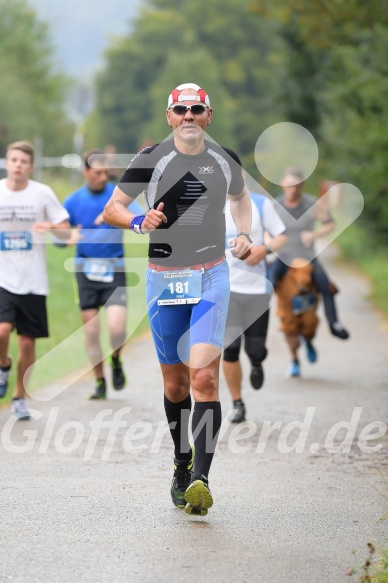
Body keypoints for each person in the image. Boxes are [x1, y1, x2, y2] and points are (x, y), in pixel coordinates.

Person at [103, 82, 252, 516]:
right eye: (181, 110)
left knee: (204, 377)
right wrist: (136, 220)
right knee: (175, 383)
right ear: (169, 116)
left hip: (211, 275)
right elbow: (112, 208)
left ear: (209, 116)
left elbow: (240, 199)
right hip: (164, 279)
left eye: (197, 110)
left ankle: (202, 480)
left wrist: (244, 234)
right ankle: (181, 461)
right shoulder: (151, 158)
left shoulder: (226, 161)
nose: (189, 116)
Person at [62, 150, 144, 399]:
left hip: (115, 268)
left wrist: (116, 215)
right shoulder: (73, 201)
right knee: (92, 331)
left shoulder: (117, 196)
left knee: (118, 329)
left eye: (106, 173)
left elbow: (138, 218)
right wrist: (67, 237)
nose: (102, 177)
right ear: (86, 172)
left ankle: (116, 361)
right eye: (97, 172)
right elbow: (59, 233)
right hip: (85, 270)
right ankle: (99, 381)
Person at [0, 141, 70, 420]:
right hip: (3, 278)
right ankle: (3, 364)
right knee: (2, 331)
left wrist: (50, 226)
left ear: (31, 166)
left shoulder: (42, 194)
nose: (17, 164)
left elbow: (66, 233)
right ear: (7, 162)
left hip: (33, 281)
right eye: (13, 159)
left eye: (23, 161)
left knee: (28, 344)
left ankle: (19, 395)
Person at [270, 168, 349, 374]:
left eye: (296, 185)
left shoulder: (312, 203)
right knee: (267, 283)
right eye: (288, 185)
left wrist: (314, 234)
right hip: (284, 258)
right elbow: (264, 231)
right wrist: (272, 243)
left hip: (307, 258)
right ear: (282, 184)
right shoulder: (275, 206)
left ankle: (334, 324)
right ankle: (253, 329)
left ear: (302, 185)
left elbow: (330, 224)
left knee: (326, 285)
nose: (292, 190)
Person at [223, 191, 287, 422]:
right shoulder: (211, 203)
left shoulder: (260, 203)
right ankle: (237, 403)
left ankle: (257, 361)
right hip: (225, 289)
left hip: (257, 289)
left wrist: (264, 249)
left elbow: (282, 236)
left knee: (255, 349)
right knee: (230, 348)